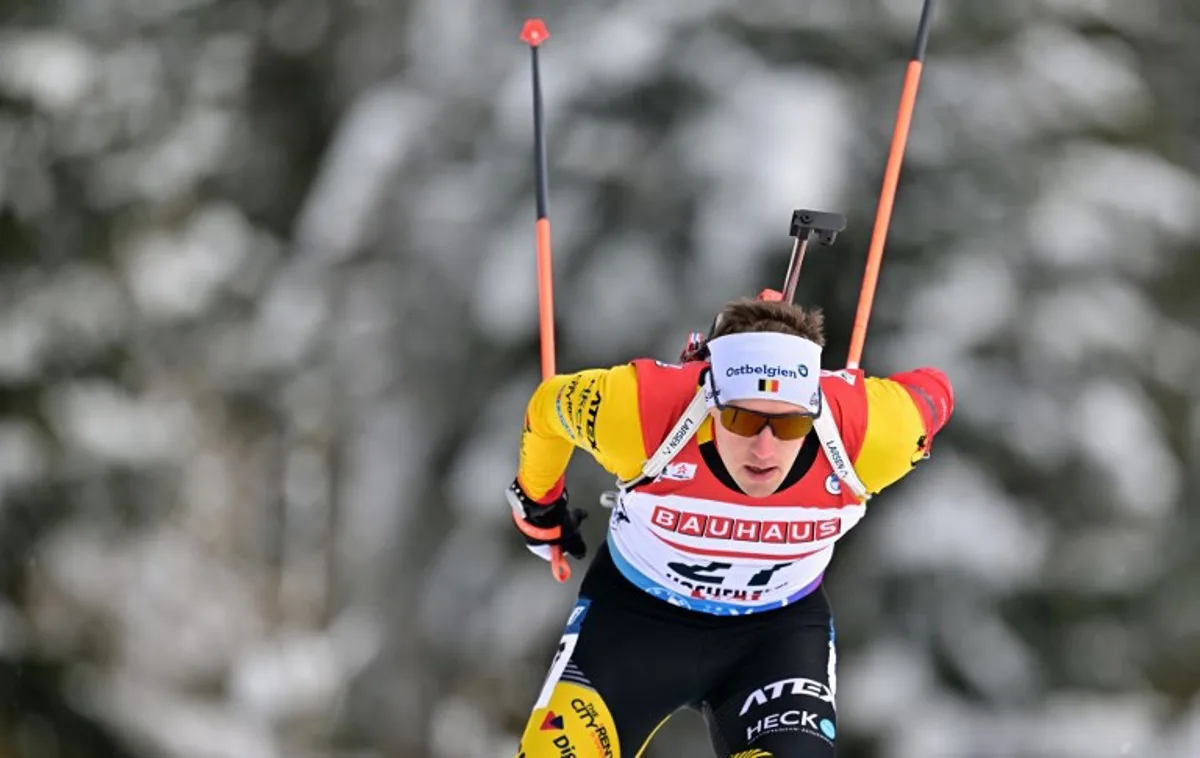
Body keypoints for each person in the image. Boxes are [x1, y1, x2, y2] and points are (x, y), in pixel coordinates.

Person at [507, 296, 954, 758]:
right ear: (710, 395)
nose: (764, 450)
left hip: (772, 643)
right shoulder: (643, 409)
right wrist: (539, 505)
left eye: (790, 424)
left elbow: (935, 392)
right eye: (742, 419)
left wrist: (866, 399)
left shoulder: (869, 432)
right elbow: (548, 408)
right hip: (633, 625)